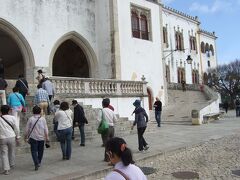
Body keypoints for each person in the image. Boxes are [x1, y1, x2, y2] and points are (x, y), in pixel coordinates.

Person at [24, 105, 49, 171]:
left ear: (33, 111)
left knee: (33, 151)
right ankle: (39, 162)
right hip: (41, 137)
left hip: (33, 137)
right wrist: (47, 137)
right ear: (40, 111)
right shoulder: (43, 119)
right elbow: (46, 129)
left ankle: (36, 162)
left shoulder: (31, 119)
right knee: (41, 151)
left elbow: (27, 129)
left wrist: (25, 136)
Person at [0, 105, 20, 175]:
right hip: (11, 136)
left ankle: (6, 169)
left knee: (4, 153)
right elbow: (16, 128)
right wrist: (18, 137)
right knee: (12, 151)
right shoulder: (13, 118)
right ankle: (11, 164)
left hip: (2, 138)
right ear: (9, 111)